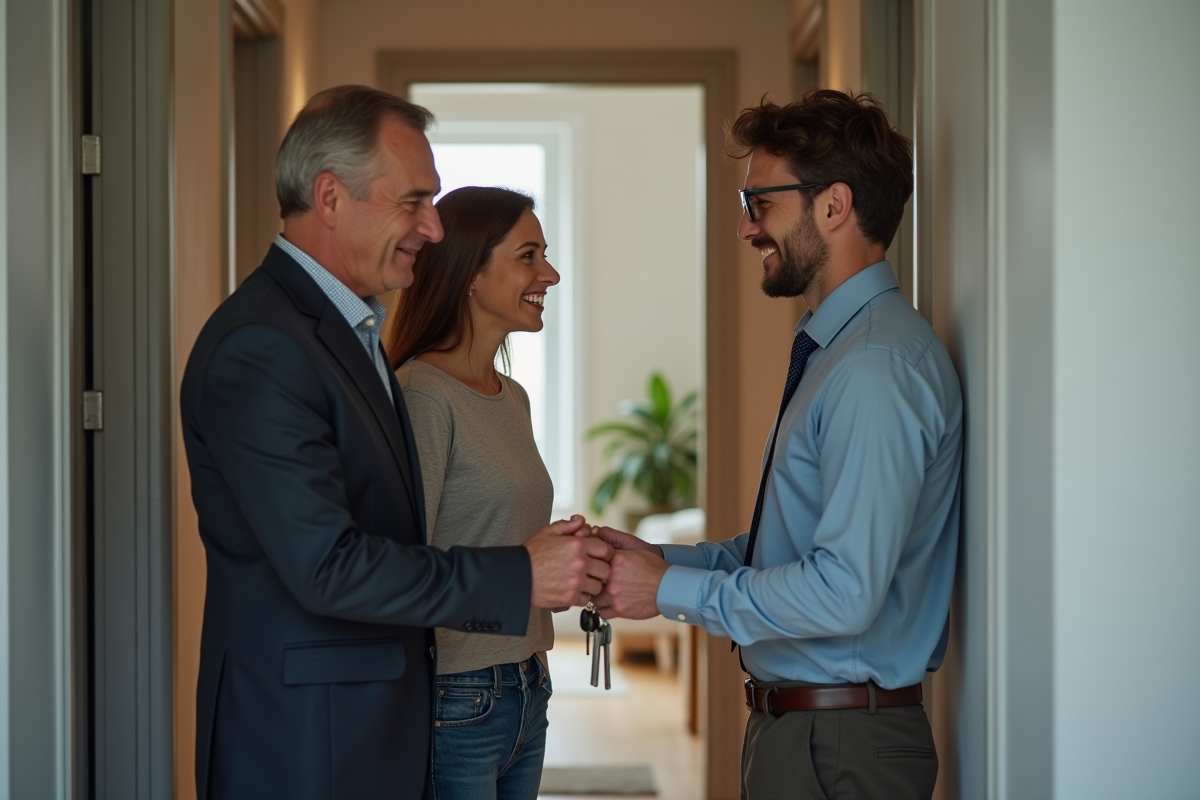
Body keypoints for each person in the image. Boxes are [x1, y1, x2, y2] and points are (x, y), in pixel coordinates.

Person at [180, 86, 611, 800]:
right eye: (412, 202)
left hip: (370, 723)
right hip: (309, 741)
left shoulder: (348, 335)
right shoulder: (261, 345)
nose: (433, 228)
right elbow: (327, 566)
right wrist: (519, 575)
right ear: (330, 198)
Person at [593, 89, 963, 800]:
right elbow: (794, 554)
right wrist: (654, 561)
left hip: (839, 746)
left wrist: (666, 590)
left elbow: (844, 593)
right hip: (812, 735)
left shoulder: (873, 368)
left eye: (759, 204)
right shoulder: (839, 352)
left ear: (834, 207)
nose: (744, 228)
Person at [385, 186, 561, 800]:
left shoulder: (512, 397)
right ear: (468, 273)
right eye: (529, 256)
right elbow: (404, 567)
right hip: (457, 696)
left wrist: (566, 566)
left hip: (529, 683)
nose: (551, 274)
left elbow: (495, 535)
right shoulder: (423, 395)